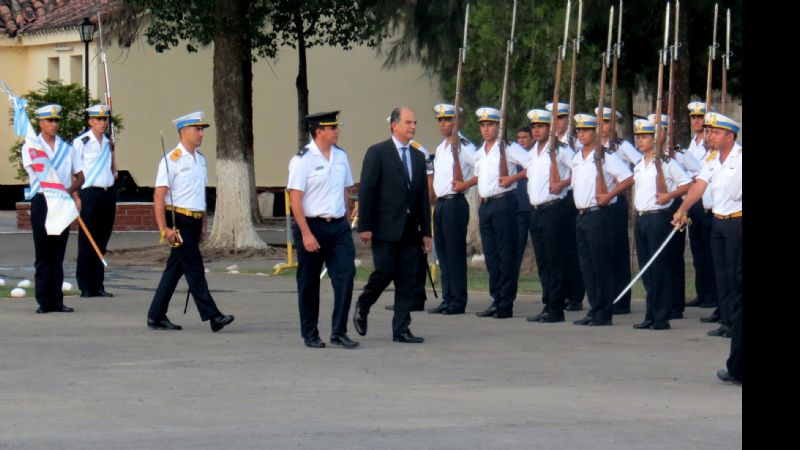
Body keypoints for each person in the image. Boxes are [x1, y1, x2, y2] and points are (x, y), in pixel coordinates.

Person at [147, 111, 234, 332]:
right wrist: (164, 229)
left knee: (174, 270)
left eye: (202, 130)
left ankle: (156, 315)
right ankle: (213, 316)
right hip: (179, 221)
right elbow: (159, 196)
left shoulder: (200, 160)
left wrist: (203, 223)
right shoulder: (171, 160)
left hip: (194, 221)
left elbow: (199, 194)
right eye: (197, 129)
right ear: (184, 131)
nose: (201, 133)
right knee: (195, 269)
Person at [353, 107, 432, 343]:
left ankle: (401, 328)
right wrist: (365, 225)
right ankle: (363, 305)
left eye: (415, 123)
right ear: (394, 125)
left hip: (410, 228)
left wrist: (426, 232)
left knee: (408, 278)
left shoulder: (418, 156)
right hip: (384, 226)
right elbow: (367, 191)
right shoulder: (378, 152)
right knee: (385, 271)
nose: (413, 127)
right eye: (408, 122)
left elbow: (422, 198)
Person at [287, 111, 359, 349]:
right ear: (319, 131)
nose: (337, 131)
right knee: (309, 282)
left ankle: (339, 331)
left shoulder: (341, 156)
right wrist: (306, 233)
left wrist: (346, 219)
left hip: (338, 226)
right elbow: (295, 199)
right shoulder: (302, 160)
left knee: (346, 275)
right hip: (312, 225)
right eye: (332, 128)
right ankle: (310, 333)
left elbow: (345, 190)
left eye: (337, 127)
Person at [672, 112, 741, 339]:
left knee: (735, 274)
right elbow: (699, 186)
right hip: (718, 221)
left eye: (716, 133)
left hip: (737, 222)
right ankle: (726, 321)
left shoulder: (740, 157)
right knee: (720, 273)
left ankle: (736, 324)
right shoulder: (712, 159)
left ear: (730, 136)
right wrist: (683, 208)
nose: (710, 136)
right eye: (709, 132)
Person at [568, 113, 633, 326]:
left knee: (600, 264)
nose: (581, 134)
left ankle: (605, 311)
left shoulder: (605, 156)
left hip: (599, 214)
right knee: (586, 266)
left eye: (586, 130)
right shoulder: (577, 157)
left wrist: (610, 195)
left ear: (595, 133)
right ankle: (594, 308)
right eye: (579, 130)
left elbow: (628, 178)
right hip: (582, 214)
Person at [630, 118, 691, 330]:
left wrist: (669, 196)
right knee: (646, 269)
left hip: (658, 217)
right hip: (642, 217)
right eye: (639, 137)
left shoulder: (666, 162)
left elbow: (687, 184)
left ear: (655, 140)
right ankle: (650, 314)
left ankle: (662, 316)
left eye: (645, 137)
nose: (640, 140)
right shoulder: (639, 165)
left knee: (660, 268)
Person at [22, 104, 84, 314]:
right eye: (50, 120)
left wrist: (69, 191)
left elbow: (80, 176)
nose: (54, 124)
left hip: (62, 202)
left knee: (58, 254)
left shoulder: (67, 149)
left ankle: (57, 300)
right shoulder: (31, 147)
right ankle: (44, 301)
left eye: (56, 120)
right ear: (41, 123)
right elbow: (38, 172)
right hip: (42, 201)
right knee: (43, 252)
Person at [472, 106, 530, 319]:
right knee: (491, 256)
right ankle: (496, 298)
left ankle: (506, 302)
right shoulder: (480, 152)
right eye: (483, 125)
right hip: (487, 205)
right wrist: (480, 209)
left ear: (499, 126)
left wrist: (512, 178)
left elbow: (533, 165)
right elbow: (480, 181)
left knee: (506, 255)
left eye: (490, 125)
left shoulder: (509, 147)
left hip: (504, 202)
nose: (486, 129)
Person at [523, 109, 575, 324]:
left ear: (549, 128)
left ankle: (556, 307)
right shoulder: (532, 152)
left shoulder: (561, 150)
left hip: (554, 208)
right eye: (534, 127)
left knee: (555, 260)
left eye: (541, 126)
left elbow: (580, 170)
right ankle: (548, 303)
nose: (536, 130)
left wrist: (563, 183)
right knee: (543, 261)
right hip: (536, 210)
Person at [428, 103, 476, 315]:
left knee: (455, 253)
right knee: (443, 254)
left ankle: (458, 300)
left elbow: (482, 169)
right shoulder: (441, 148)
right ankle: (447, 297)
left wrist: (466, 184)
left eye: (447, 120)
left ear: (457, 122)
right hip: (440, 203)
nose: (442, 124)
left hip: (455, 202)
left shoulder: (464, 146)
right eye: (440, 120)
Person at [596, 106, 641, 316]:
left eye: (607, 122)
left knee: (617, 251)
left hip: (616, 201)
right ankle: (606, 297)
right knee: (602, 251)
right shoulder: (595, 147)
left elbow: (640, 166)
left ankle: (621, 300)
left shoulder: (622, 146)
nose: (603, 126)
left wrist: (620, 184)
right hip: (599, 203)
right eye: (600, 121)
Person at [73, 104, 116, 298]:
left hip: (107, 193)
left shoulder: (108, 142)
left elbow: (112, 167)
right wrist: (76, 195)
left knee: (102, 239)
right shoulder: (81, 142)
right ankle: (85, 285)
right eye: (99, 119)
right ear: (90, 121)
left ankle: (98, 284)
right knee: (87, 239)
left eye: (105, 119)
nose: (103, 122)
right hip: (89, 193)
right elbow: (73, 170)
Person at [546, 101, 584, 311]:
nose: (557, 122)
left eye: (560, 118)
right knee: (557, 250)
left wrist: (563, 183)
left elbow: (578, 170)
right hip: (554, 200)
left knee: (571, 248)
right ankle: (561, 293)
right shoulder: (549, 143)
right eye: (553, 118)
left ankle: (575, 295)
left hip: (569, 196)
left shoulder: (574, 143)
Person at [683, 101, 718, 310]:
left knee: (709, 250)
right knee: (697, 250)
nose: (696, 121)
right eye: (693, 117)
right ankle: (702, 292)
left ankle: (713, 295)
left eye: (700, 117)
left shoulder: (710, 144)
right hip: (694, 199)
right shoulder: (692, 143)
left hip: (708, 200)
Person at [513, 126, 535, 275]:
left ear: (532, 139)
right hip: (519, 208)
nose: (521, 141)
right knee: (516, 247)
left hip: (534, 208)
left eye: (525, 138)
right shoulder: (513, 157)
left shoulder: (535, 156)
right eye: (519, 138)